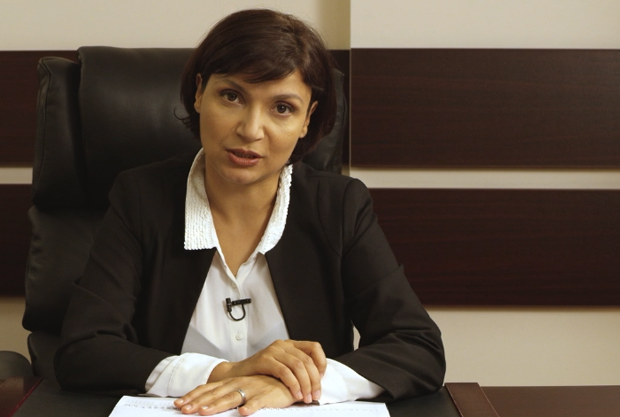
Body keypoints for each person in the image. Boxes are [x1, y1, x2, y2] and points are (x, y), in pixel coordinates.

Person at [54, 8, 445, 416]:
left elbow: (417, 346)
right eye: (232, 96)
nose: (251, 130)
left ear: (307, 120)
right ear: (199, 93)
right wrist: (225, 373)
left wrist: (292, 385)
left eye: (282, 108)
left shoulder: (340, 207)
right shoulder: (141, 199)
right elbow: (84, 349)